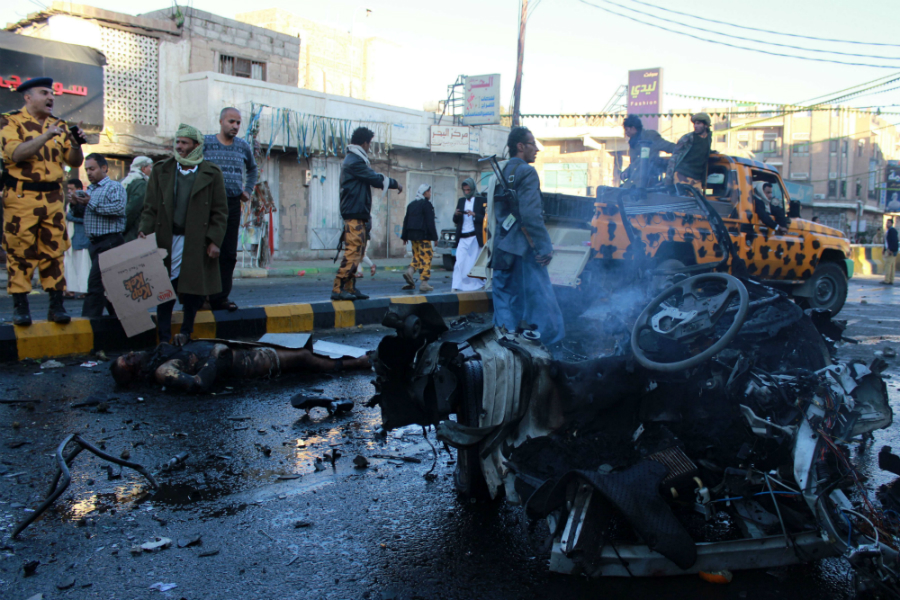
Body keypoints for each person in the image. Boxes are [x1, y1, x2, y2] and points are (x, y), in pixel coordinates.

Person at [0, 77, 84, 325]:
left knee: (54, 251)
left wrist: (77, 144)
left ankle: (56, 306)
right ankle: (21, 306)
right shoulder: (10, 121)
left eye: (52, 93)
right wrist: (46, 135)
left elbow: (74, 161)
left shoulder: (59, 124)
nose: (51, 98)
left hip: (53, 198)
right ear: (27, 97)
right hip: (21, 197)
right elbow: (16, 153)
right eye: (44, 93)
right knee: (20, 251)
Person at [138, 123, 228, 344]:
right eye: (177, 142)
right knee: (164, 289)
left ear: (196, 146)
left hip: (195, 242)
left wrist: (214, 241)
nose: (179, 147)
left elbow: (220, 211)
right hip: (167, 240)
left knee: (192, 290)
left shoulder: (211, 172)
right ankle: (164, 339)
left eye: (184, 143)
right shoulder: (162, 170)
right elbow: (150, 206)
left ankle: (186, 332)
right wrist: (144, 230)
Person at [491, 127, 565, 345]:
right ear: (520, 146)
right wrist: (544, 247)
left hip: (502, 247)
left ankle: (505, 347)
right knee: (538, 301)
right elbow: (531, 215)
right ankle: (546, 350)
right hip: (523, 250)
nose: (537, 149)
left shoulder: (500, 171)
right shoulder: (527, 172)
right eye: (532, 144)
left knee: (505, 300)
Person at [110, 338, 373, 393]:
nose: (133, 354)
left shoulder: (158, 356)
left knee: (302, 354)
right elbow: (199, 384)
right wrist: (216, 355)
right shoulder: (162, 371)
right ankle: (359, 363)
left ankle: (355, 359)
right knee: (304, 358)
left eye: (129, 353)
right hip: (248, 363)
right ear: (134, 372)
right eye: (129, 360)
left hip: (242, 351)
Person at [332, 127, 402, 301]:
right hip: (354, 214)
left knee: (359, 253)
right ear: (364, 143)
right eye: (369, 143)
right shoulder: (354, 161)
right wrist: (394, 183)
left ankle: (350, 288)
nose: (370, 147)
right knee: (353, 252)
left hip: (359, 214)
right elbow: (375, 178)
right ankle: (338, 288)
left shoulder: (355, 159)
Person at [204, 108, 258, 312]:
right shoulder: (206, 143)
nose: (235, 126)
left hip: (232, 203)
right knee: (205, 250)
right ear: (221, 121)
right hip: (208, 205)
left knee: (228, 253)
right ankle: (201, 296)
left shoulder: (243, 146)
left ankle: (220, 298)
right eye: (231, 122)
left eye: (238, 123)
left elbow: (253, 169)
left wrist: (248, 190)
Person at [76, 153, 127, 318]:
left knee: (95, 284)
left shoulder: (114, 187)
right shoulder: (90, 189)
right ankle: (122, 319)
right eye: (86, 170)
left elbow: (118, 209)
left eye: (92, 169)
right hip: (95, 243)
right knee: (111, 285)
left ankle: (88, 322)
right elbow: (86, 213)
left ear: (104, 168)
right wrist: (76, 203)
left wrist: (89, 203)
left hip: (110, 242)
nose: (89, 173)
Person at [401, 184, 438, 293]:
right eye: (429, 192)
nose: (430, 194)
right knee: (426, 257)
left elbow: (406, 220)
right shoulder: (426, 205)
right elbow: (430, 222)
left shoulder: (411, 205)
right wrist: (435, 237)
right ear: (424, 193)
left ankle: (410, 272)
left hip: (412, 236)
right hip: (423, 236)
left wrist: (404, 236)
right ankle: (424, 283)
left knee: (417, 255)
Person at [451, 177, 486, 291]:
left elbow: (486, 219)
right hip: (463, 236)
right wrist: (456, 214)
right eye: (464, 190)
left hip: (475, 237)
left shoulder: (481, 200)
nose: (466, 192)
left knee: (474, 264)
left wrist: (475, 214)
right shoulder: (461, 201)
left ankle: (479, 284)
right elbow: (455, 221)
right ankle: (456, 285)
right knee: (459, 262)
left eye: (468, 190)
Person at [622, 114, 675, 186]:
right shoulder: (633, 143)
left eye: (627, 129)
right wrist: (626, 172)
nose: (626, 132)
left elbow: (669, 147)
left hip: (648, 181)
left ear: (633, 128)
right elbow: (635, 164)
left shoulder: (650, 137)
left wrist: (683, 147)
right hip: (634, 182)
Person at [667, 112, 713, 193]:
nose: (695, 126)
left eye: (698, 123)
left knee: (698, 202)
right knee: (684, 201)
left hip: (697, 179)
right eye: (694, 124)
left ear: (706, 125)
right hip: (682, 175)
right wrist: (668, 179)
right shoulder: (688, 138)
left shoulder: (708, 138)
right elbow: (674, 157)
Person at [63, 178, 90, 297]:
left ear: (79, 189)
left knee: (83, 264)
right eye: (68, 189)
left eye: (72, 189)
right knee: (71, 264)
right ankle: (71, 288)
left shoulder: (85, 202)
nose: (69, 191)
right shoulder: (70, 203)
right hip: (72, 236)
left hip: (82, 237)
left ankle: (84, 289)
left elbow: (85, 219)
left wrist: (69, 216)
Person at [122, 156, 153, 243]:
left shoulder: (125, 181)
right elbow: (132, 209)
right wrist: (123, 228)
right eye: (150, 167)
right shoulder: (141, 185)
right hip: (133, 231)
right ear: (143, 169)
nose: (152, 170)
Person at [883, 218, 899, 285]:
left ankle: (887, 280)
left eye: (888, 223)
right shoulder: (890, 231)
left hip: (890, 251)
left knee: (888, 265)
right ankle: (891, 280)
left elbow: (894, 241)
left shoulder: (892, 231)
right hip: (890, 250)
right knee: (892, 266)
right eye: (887, 223)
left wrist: (891, 250)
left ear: (891, 224)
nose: (887, 224)